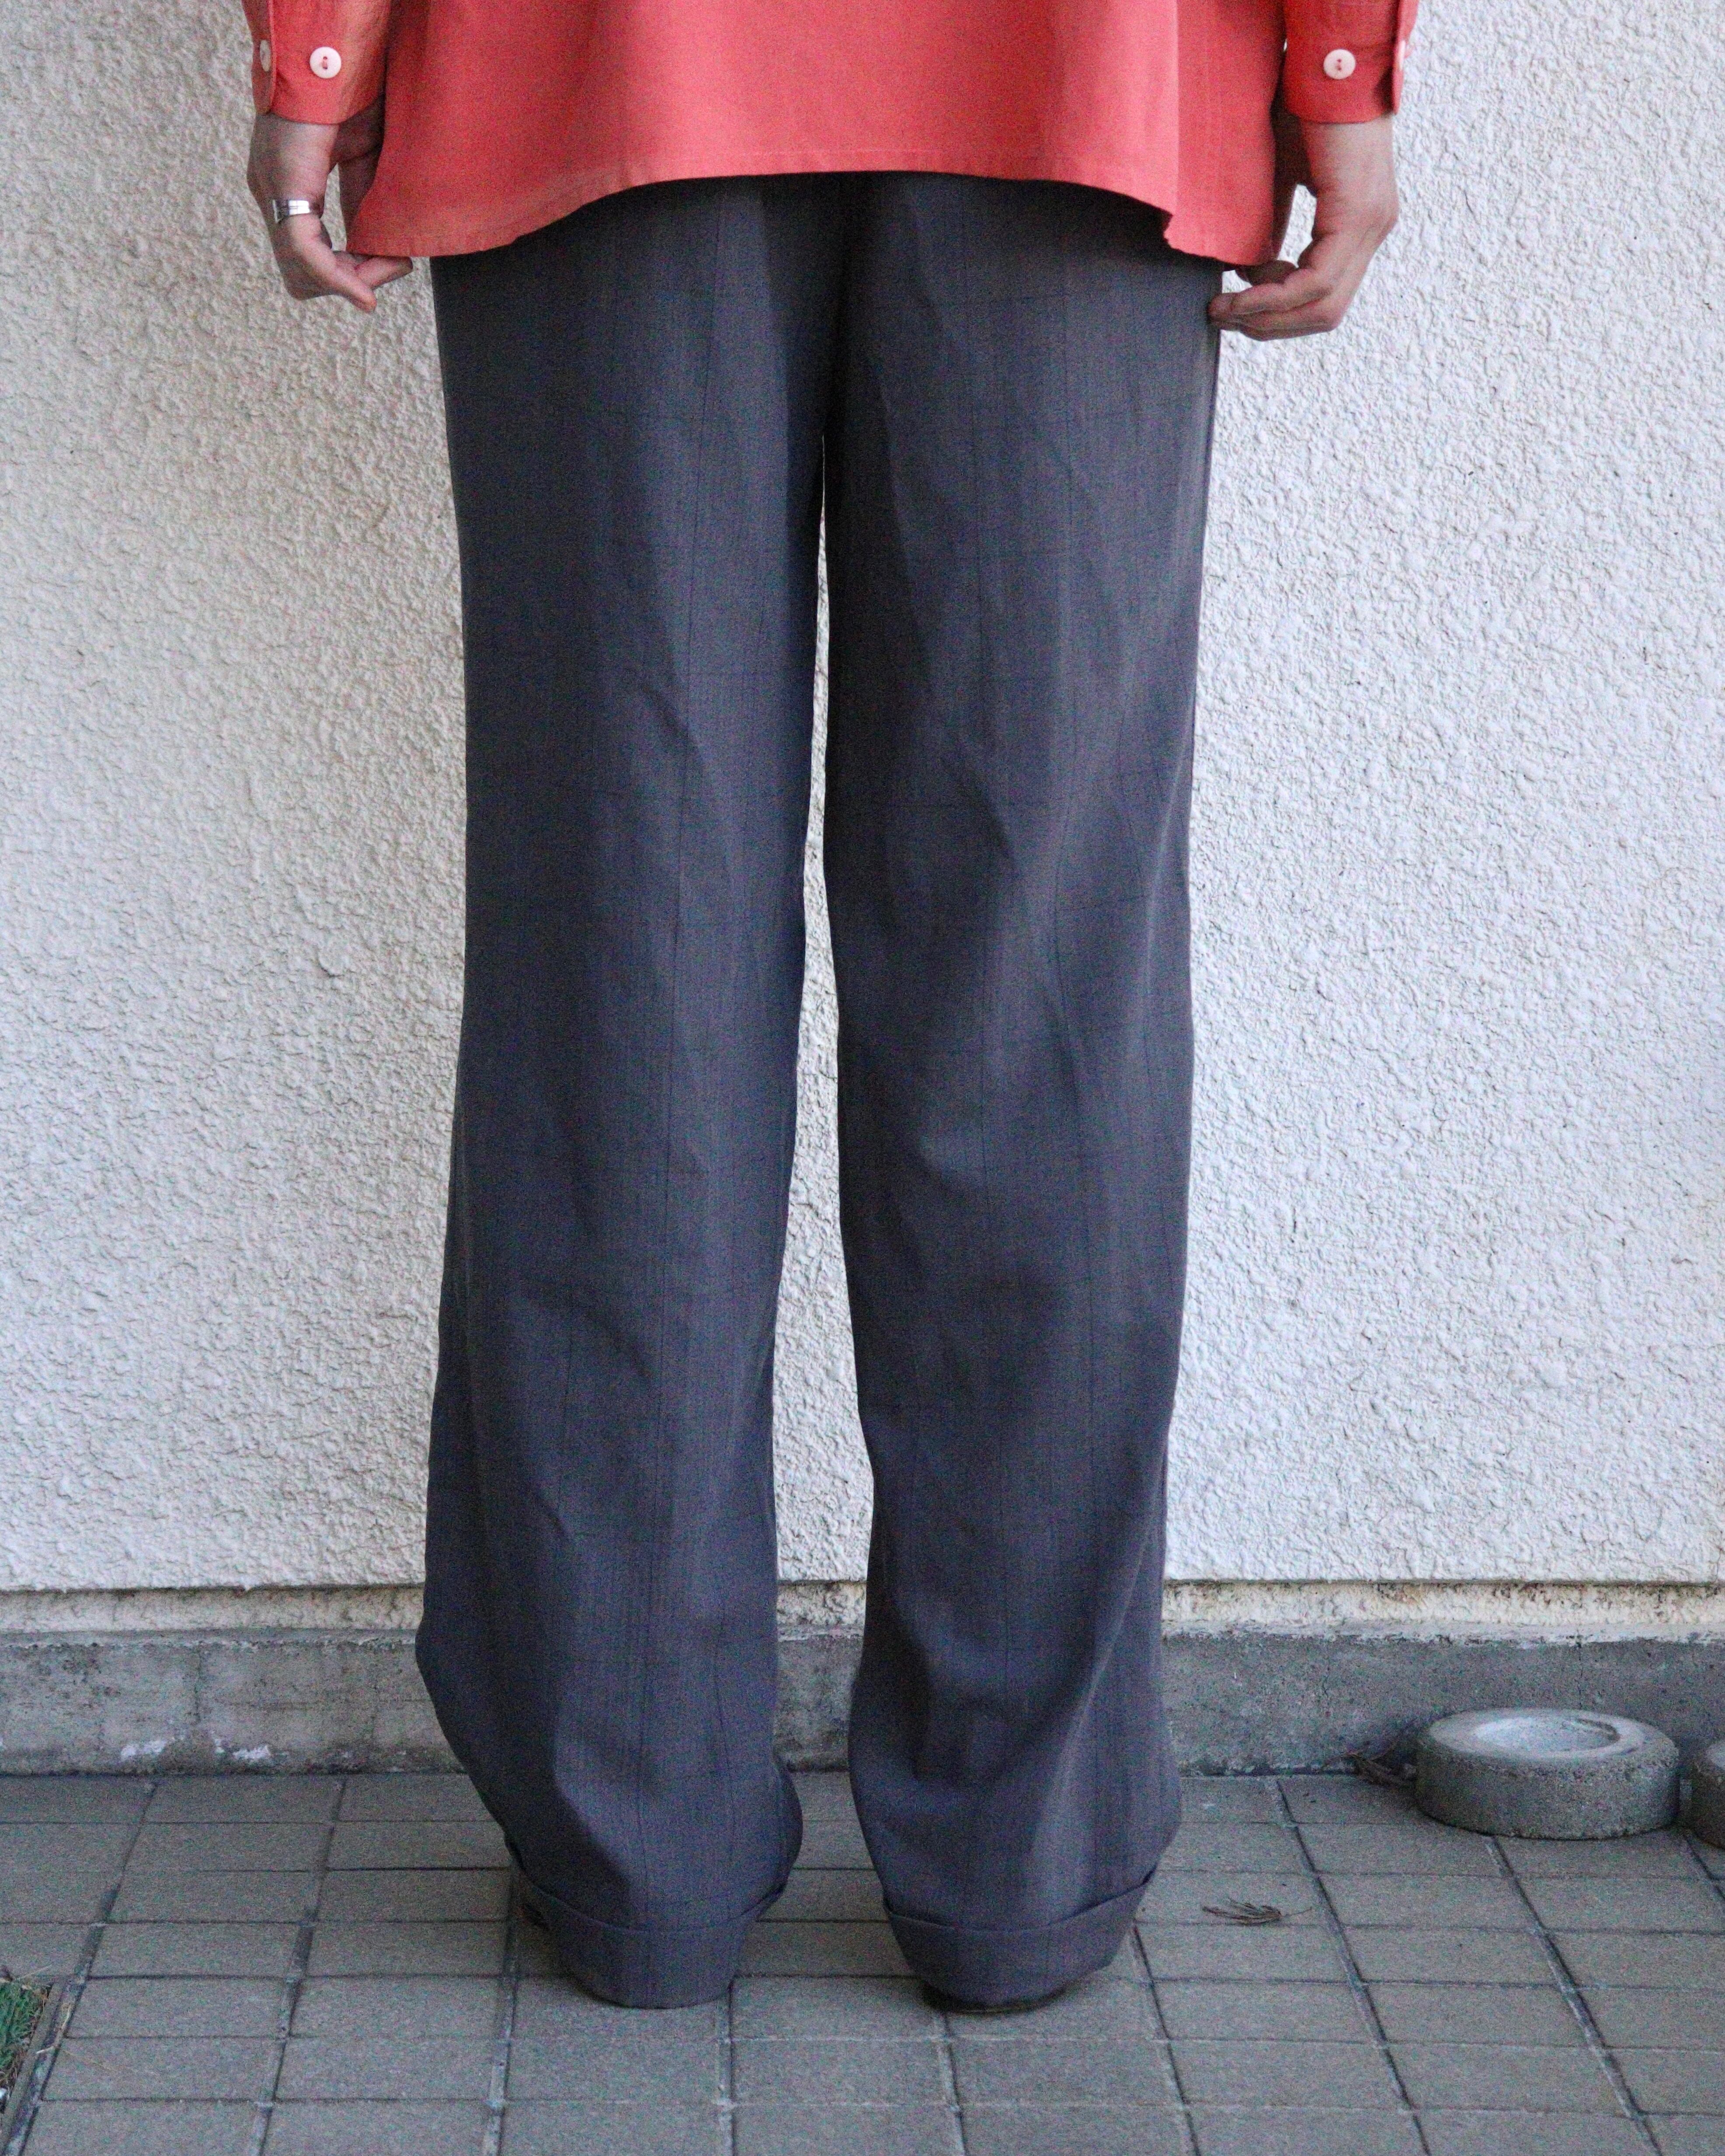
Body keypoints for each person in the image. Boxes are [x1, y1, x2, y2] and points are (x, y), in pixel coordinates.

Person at [243, 0, 1413, 2011]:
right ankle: (1020, 1867)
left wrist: (320, 56)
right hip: (1086, 67)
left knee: (621, 961)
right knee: (1037, 996)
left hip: (600, 58)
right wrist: (1339, 70)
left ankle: (637, 1845)